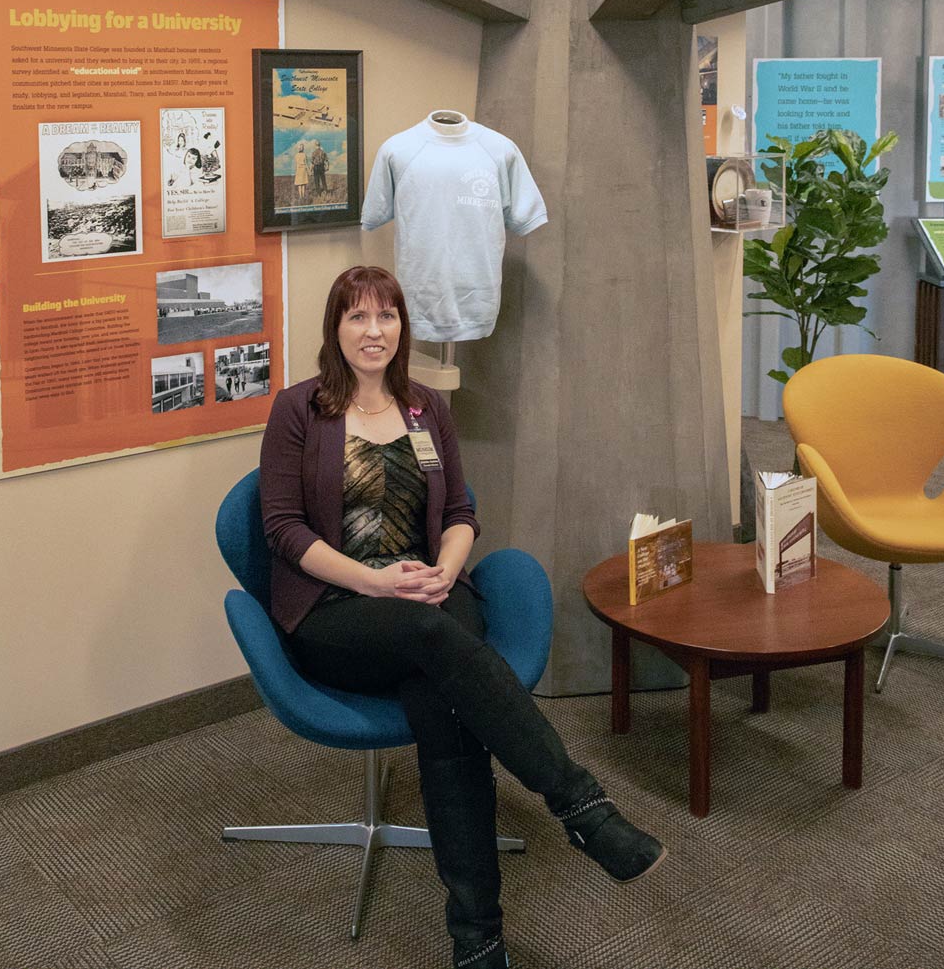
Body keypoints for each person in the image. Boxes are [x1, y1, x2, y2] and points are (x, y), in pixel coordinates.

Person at [260, 265, 665, 969]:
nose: (373, 330)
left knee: (440, 703)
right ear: (334, 328)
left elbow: (459, 513)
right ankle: (580, 806)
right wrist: (374, 581)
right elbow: (283, 530)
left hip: (429, 593)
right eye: (356, 316)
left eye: (385, 316)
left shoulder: (425, 408)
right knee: (427, 636)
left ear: (401, 328)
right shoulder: (299, 410)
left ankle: (476, 937)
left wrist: (447, 565)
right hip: (337, 608)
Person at [292, 141, 310, 205]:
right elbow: (307, 164)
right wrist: (309, 171)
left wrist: (295, 171)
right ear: (303, 149)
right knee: (303, 184)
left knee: (299, 184)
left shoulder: (296, 155)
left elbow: (296, 164)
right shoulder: (305, 155)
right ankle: (303, 196)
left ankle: (301, 197)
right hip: (303, 170)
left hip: (298, 170)